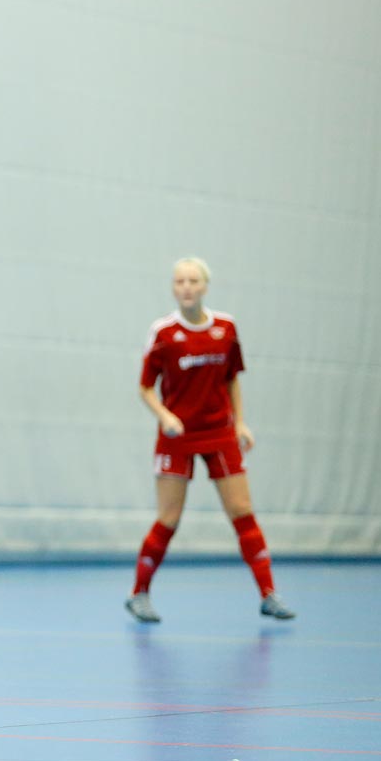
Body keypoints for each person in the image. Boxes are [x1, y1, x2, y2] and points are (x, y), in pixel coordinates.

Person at [124, 257, 295, 624]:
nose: (186, 287)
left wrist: (241, 423)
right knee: (169, 518)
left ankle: (268, 593)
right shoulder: (164, 333)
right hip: (178, 438)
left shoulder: (226, 328)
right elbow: (144, 388)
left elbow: (232, 378)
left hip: (219, 433)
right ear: (173, 288)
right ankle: (139, 593)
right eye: (179, 281)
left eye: (193, 281)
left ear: (205, 286)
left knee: (242, 511)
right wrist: (165, 416)